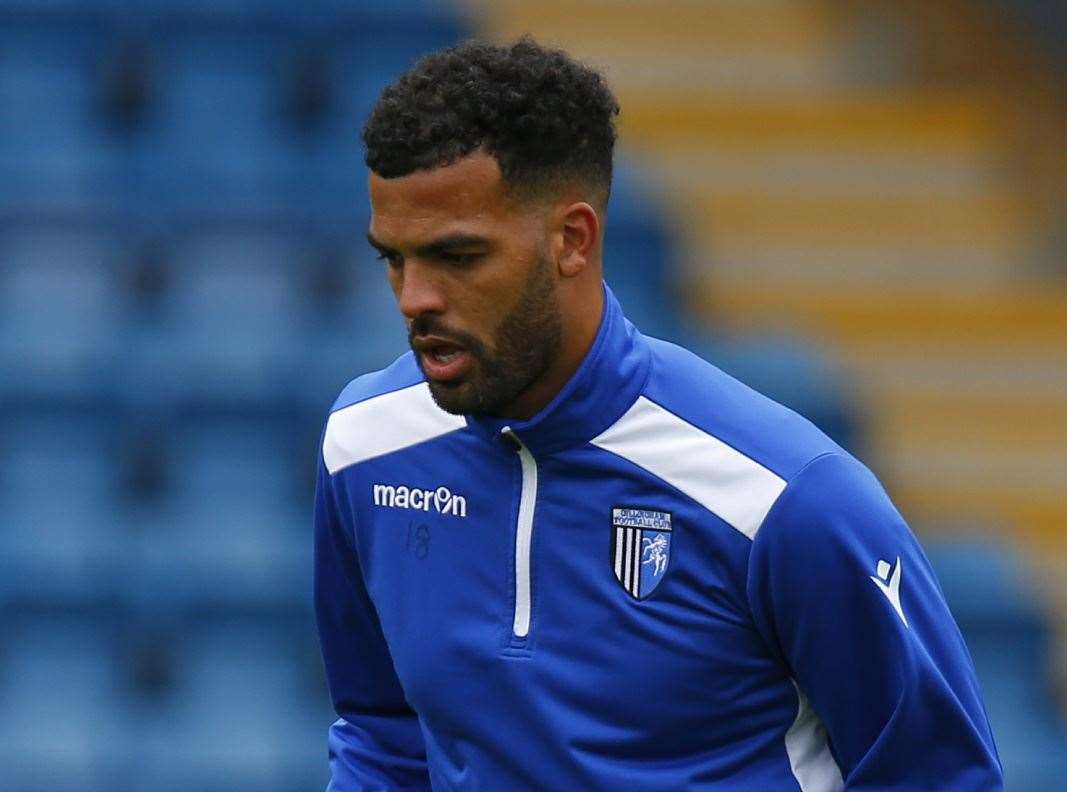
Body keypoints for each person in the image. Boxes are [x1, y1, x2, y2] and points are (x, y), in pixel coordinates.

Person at [313, 36, 1003, 791]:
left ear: (571, 240)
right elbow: (382, 735)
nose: (415, 298)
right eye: (394, 258)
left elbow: (937, 776)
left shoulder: (783, 498)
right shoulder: (365, 447)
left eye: (457, 257)